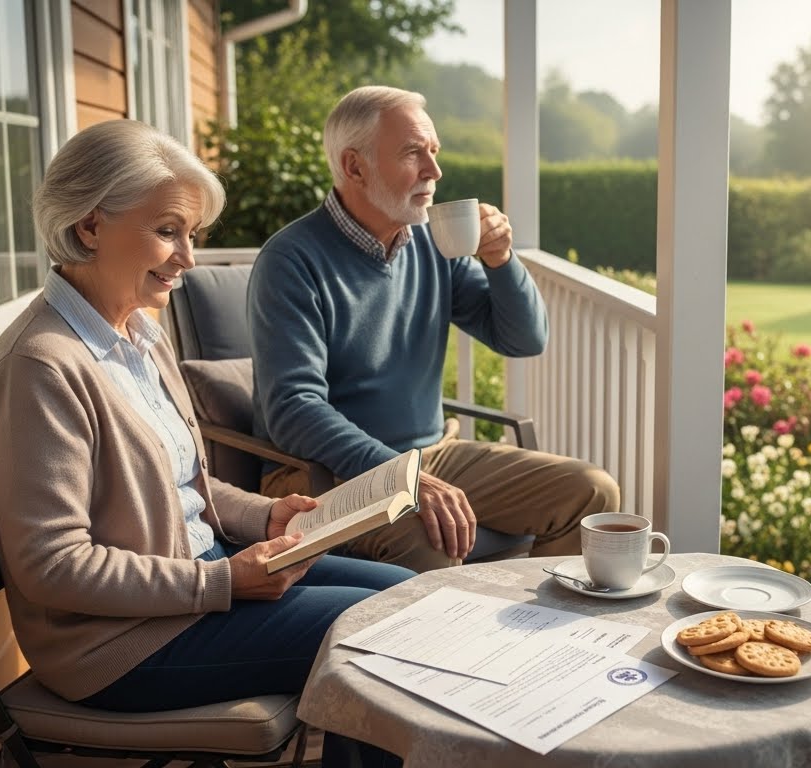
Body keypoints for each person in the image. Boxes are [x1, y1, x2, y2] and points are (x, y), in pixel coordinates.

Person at [0, 119, 410, 768]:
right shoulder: (41, 366)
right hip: (119, 646)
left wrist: (265, 516)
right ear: (90, 226)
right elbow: (52, 565)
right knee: (376, 629)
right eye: (167, 231)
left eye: (191, 235)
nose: (188, 258)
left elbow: (183, 485)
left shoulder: (139, 335)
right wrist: (221, 584)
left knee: (403, 592)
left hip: (196, 581)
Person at [250, 86, 621, 572]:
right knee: (427, 538)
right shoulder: (290, 261)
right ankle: (441, 648)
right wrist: (403, 478)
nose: (434, 171)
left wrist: (500, 261)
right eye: (412, 153)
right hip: (320, 476)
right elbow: (293, 408)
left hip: (429, 456)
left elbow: (523, 338)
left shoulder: (430, 244)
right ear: (354, 166)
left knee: (591, 491)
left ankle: (534, 634)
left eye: (434, 151)